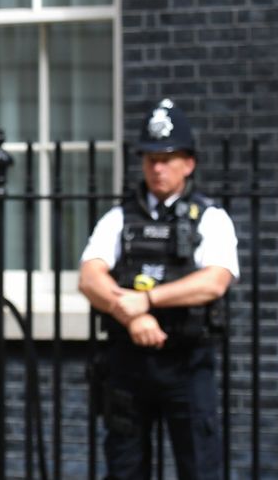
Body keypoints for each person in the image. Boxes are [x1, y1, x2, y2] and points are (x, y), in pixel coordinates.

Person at [78, 98, 238, 480]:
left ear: (189, 163)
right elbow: (90, 277)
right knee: (126, 468)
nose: (158, 167)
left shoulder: (211, 218)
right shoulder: (119, 217)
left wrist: (146, 300)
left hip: (187, 363)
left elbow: (215, 280)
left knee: (200, 467)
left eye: (168, 158)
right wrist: (131, 317)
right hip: (128, 363)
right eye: (151, 159)